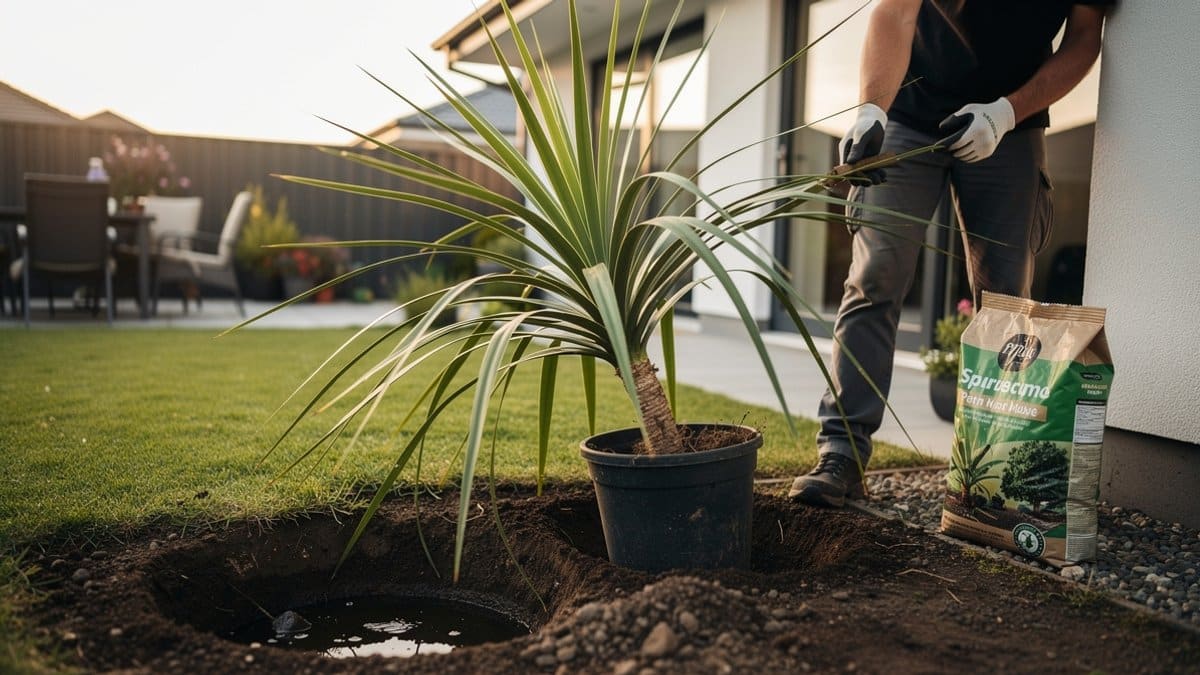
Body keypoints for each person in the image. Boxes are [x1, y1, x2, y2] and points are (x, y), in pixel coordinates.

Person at [789, 0, 1112, 507]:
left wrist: (1006, 113)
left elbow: (1085, 37)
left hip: (1013, 122)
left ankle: (989, 477)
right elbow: (895, 13)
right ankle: (842, 453)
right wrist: (871, 110)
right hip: (908, 112)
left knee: (1006, 302)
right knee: (875, 275)